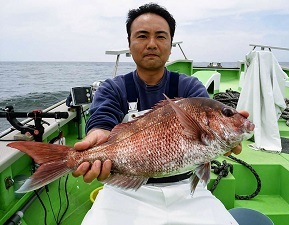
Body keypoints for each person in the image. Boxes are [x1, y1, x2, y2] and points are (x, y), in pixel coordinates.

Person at [73, 3, 246, 225]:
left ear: (171, 45)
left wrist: (227, 134)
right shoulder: (113, 88)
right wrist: (96, 135)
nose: (152, 44)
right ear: (129, 43)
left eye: (161, 36)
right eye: (142, 36)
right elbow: (102, 120)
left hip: (187, 188)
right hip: (126, 191)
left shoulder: (190, 88)